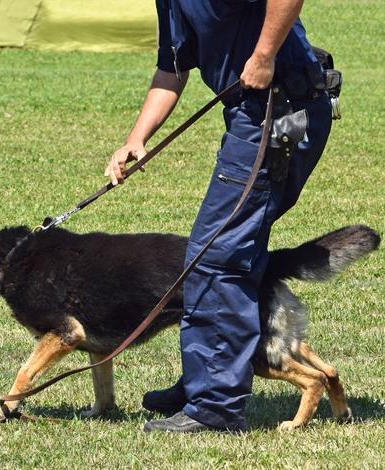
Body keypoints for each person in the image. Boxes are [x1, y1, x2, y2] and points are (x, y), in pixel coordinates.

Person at [105, 0, 333, 432]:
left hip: (281, 110)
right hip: (250, 114)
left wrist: (264, 56)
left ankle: (214, 406)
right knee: (222, 249)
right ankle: (206, 378)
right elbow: (172, 67)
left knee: (219, 254)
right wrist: (137, 138)